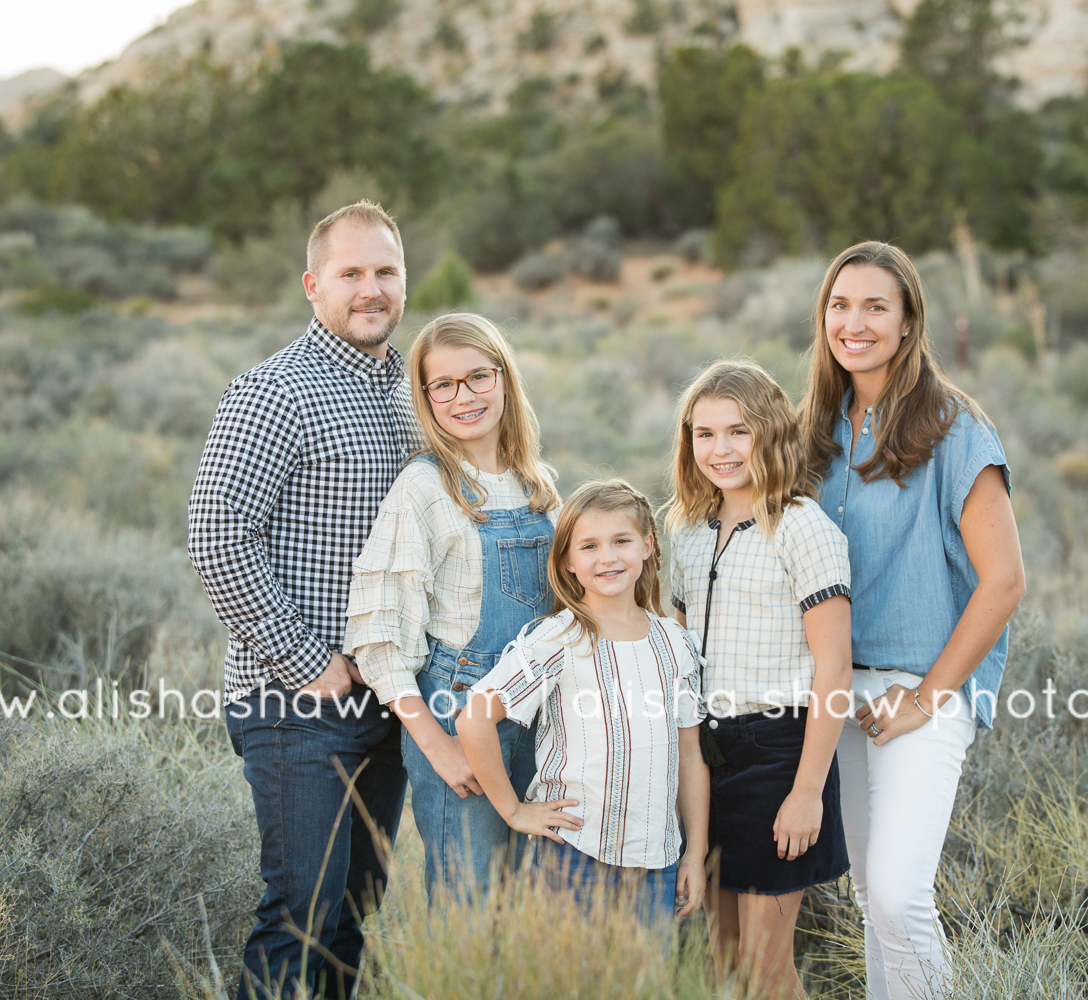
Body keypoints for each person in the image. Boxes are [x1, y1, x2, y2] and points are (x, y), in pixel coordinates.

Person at [187, 201, 416, 1000]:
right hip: (296, 704)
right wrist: (306, 660)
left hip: (386, 701)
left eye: (385, 271)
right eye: (351, 273)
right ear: (314, 286)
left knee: (354, 914)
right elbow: (217, 534)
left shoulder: (410, 393)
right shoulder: (275, 391)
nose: (371, 289)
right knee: (302, 915)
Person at [800, 241, 1026, 1000]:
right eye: (840, 304)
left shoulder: (953, 427)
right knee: (872, 901)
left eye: (875, 307)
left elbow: (1004, 581)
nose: (853, 322)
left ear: (907, 324)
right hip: (836, 692)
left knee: (900, 896)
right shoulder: (814, 429)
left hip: (923, 691)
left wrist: (926, 697)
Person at [345, 313, 560, 898]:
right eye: (444, 386)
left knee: (529, 903)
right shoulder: (424, 486)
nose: (464, 397)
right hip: (455, 712)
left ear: (505, 380)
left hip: (541, 715)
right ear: (426, 397)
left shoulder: (536, 483)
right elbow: (378, 636)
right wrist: (437, 748)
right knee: (469, 903)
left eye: (478, 377)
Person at [666, 359, 853, 1000]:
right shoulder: (687, 532)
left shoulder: (803, 528)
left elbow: (834, 668)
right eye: (704, 433)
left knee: (766, 973)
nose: (720, 450)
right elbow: (682, 648)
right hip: (705, 760)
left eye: (737, 432)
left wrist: (808, 793)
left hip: (780, 757)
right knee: (723, 969)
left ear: (769, 432)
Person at [457, 479, 710, 928]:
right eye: (589, 546)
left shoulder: (675, 643)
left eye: (621, 541)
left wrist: (696, 852)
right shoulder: (557, 638)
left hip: (657, 861)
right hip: (573, 856)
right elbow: (474, 718)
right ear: (568, 562)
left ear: (648, 545)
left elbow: (690, 755)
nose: (608, 557)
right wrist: (514, 811)